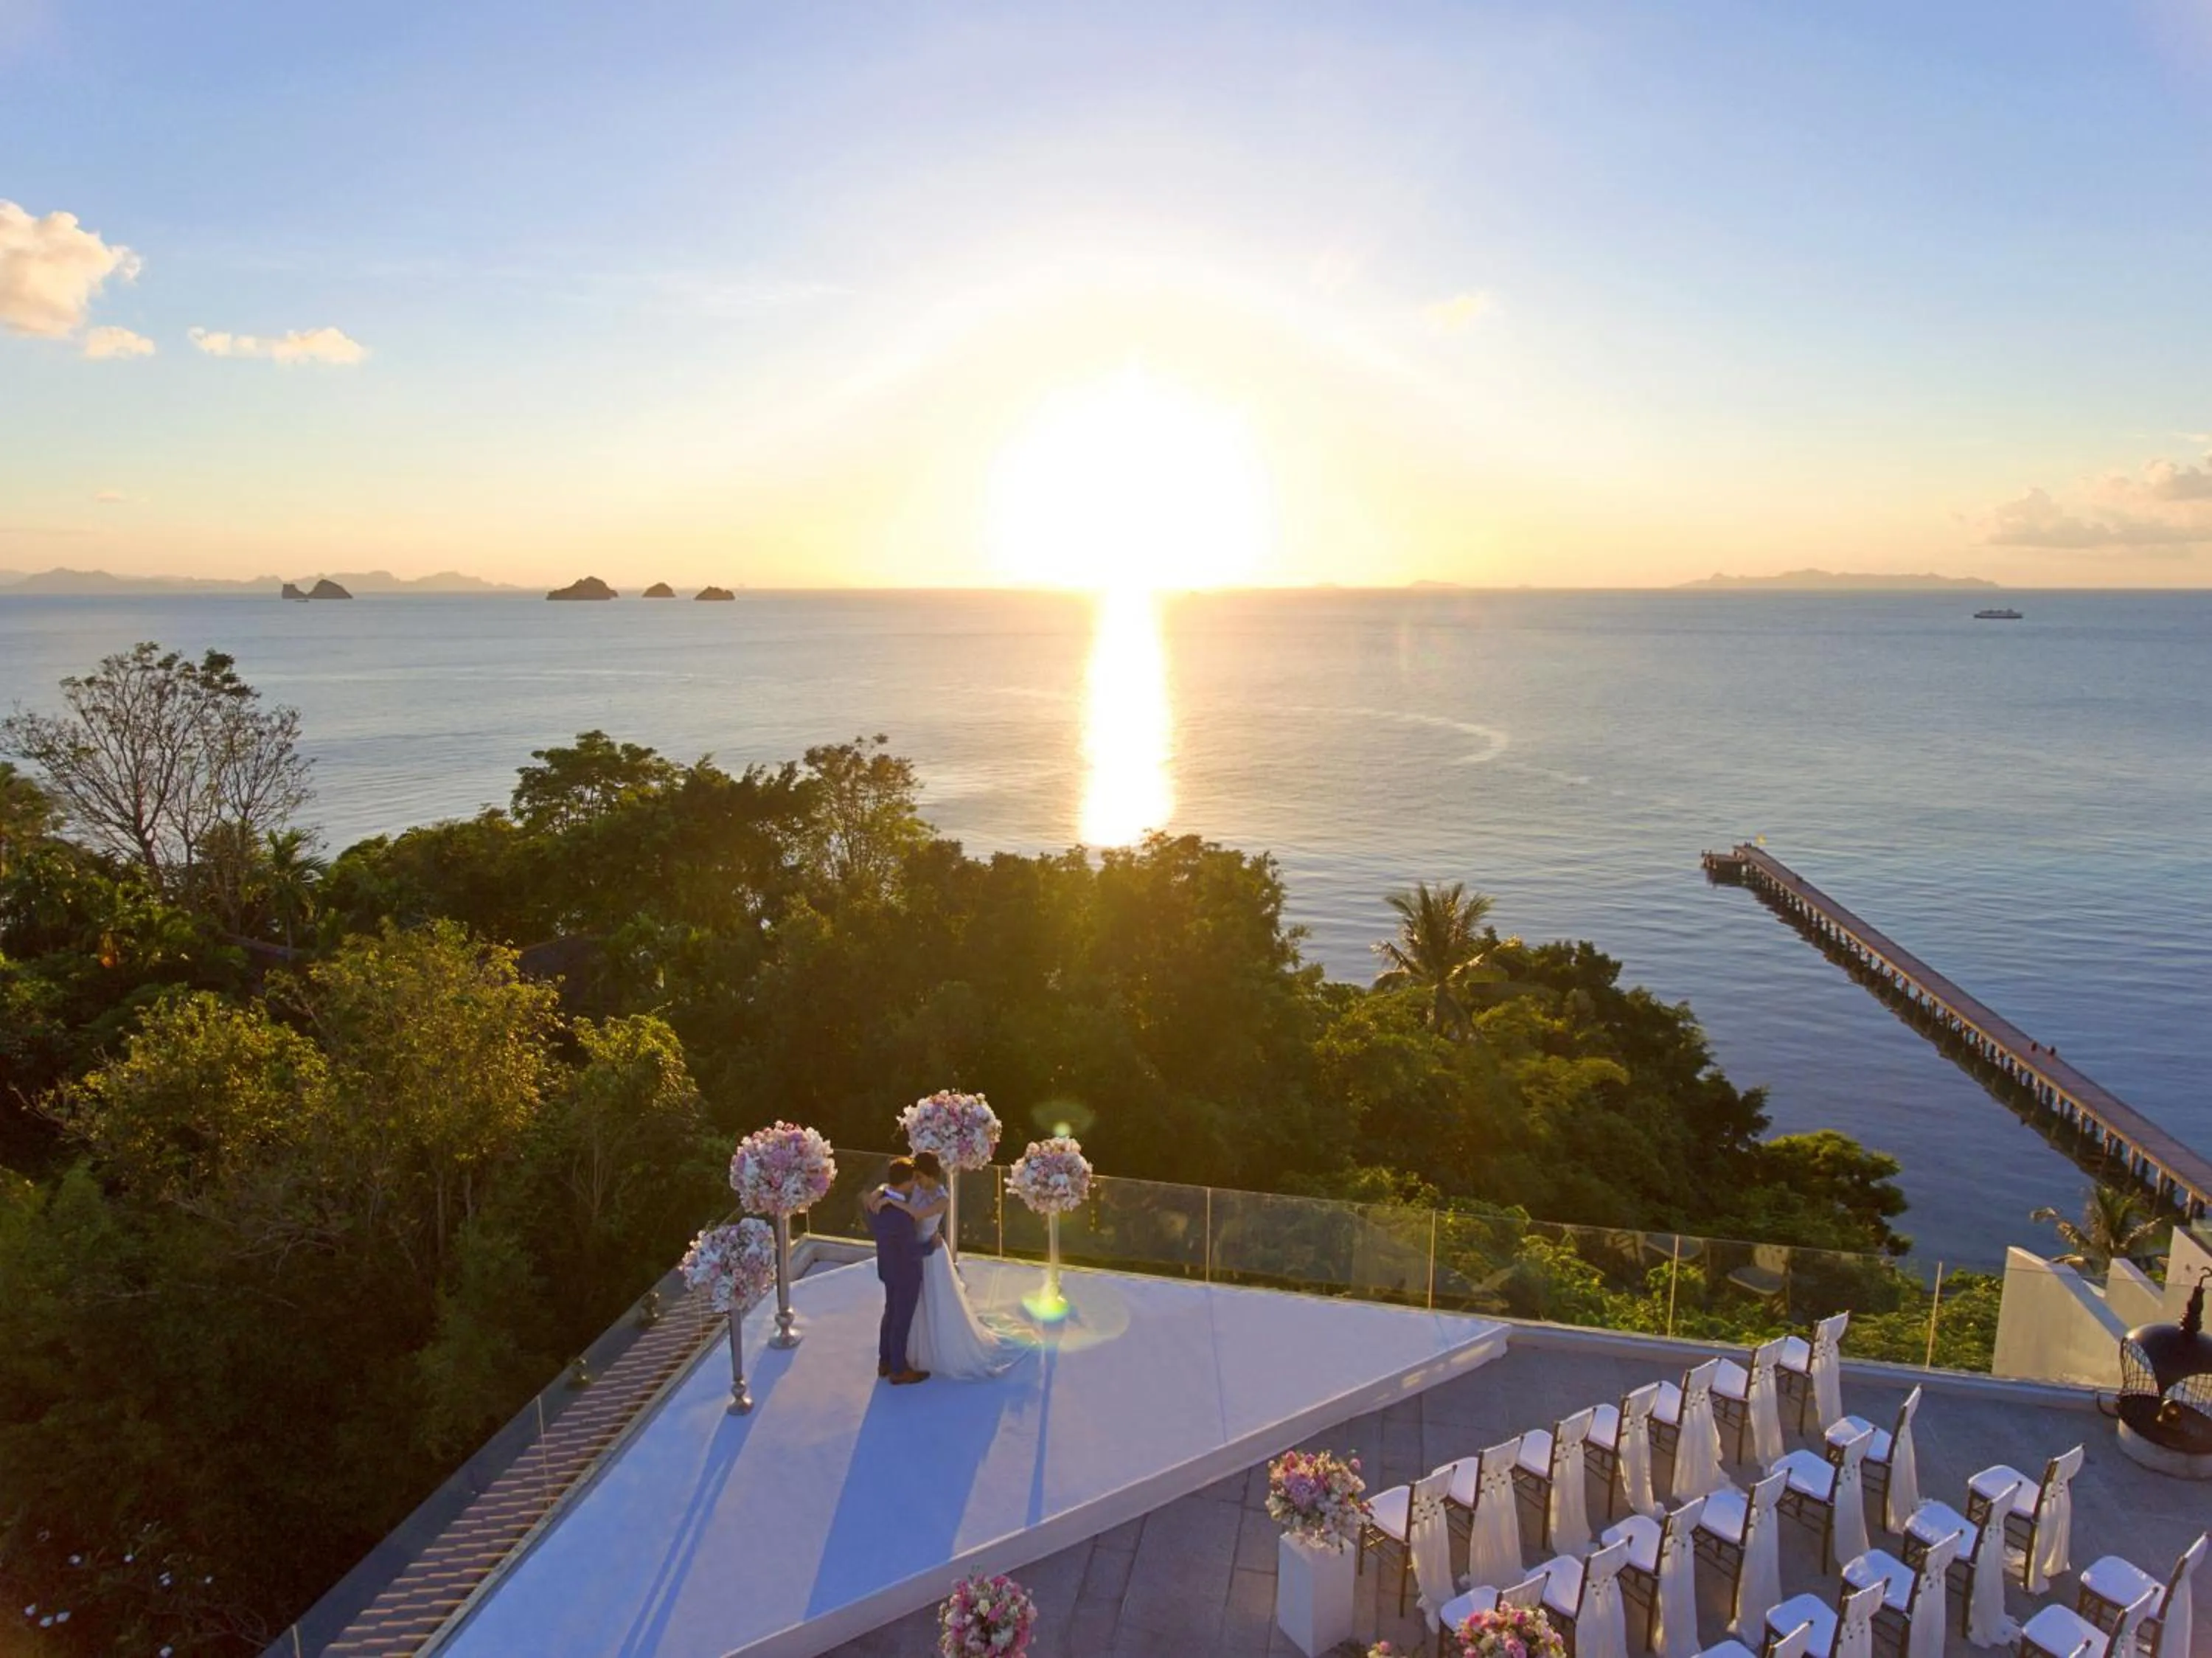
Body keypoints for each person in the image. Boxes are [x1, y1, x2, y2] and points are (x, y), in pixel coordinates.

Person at [866, 1152, 1025, 1380]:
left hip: (930, 1256)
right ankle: (897, 1364)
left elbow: (918, 1214)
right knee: (900, 1313)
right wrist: (884, 1192)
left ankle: (895, 1359)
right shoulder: (911, 1190)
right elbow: (895, 1186)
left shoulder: (942, 1198)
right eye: (914, 1177)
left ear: (930, 1175)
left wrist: (890, 1198)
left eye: (919, 1177)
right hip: (912, 1256)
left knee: (927, 1304)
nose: (916, 1182)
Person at [868, 1157, 933, 1385]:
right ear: (905, 1183)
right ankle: (898, 1369)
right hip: (905, 1273)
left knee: (890, 1314)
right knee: (901, 1321)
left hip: (887, 1268)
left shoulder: (876, 1202)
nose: (915, 1184)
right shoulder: (902, 1217)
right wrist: (931, 1246)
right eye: (912, 1180)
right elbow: (911, 1251)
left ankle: (884, 1361)